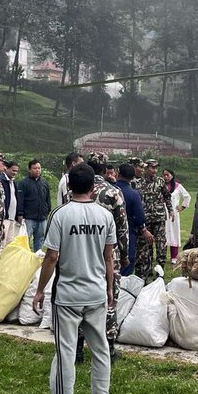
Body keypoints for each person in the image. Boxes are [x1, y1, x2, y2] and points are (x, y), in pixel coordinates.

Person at [33, 163, 115, 394]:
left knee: (65, 353)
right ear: (94, 187)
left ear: (68, 188)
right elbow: (108, 257)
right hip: (95, 294)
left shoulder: (60, 215)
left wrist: (41, 288)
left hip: (67, 296)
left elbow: (52, 256)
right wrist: (110, 288)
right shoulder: (105, 216)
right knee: (100, 350)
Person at [75, 153, 129, 363]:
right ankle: (109, 348)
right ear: (105, 168)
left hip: (81, 254)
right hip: (108, 255)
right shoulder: (113, 192)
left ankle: (78, 348)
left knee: (79, 298)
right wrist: (124, 255)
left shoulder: (76, 190)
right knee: (109, 299)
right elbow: (122, 228)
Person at [135, 159, 173, 279]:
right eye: (152, 168)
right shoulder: (138, 183)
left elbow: (167, 196)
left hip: (159, 217)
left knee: (161, 245)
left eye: (156, 168)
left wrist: (170, 209)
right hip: (145, 219)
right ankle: (147, 270)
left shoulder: (160, 181)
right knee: (146, 247)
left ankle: (160, 272)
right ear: (146, 168)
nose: (155, 170)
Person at [115, 163, 149, 276]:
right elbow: (140, 218)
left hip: (109, 233)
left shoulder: (110, 190)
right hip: (129, 232)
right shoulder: (134, 194)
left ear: (118, 173)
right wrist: (143, 229)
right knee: (127, 262)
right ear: (132, 177)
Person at [16, 159, 51, 251]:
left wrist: (47, 210)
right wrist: (20, 214)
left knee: (40, 240)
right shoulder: (24, 183)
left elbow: (48, 198)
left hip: (42, 218)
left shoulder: (44, 183)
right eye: (35, 168)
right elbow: (20, 200)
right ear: (29, 169)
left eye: (39, 168)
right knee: (25, 240)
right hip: (28, 218)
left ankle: (37, 260)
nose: (37, 170)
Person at [163, 168, 191, 263]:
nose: (166, 177)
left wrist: (182, 207)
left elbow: (187, 196)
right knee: (163, 234)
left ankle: (174, 257)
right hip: (162, 213)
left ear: (172, 175)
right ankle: (162, 256)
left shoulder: (178, 186)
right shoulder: (161, 186)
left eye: (168, 175)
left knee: (174, 234)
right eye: (164, 175)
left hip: (173, 214)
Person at [1, 160, 20, 240]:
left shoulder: (13, 182)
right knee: (3, 242)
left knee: (10, 241)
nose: (15, 173)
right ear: (7, 169)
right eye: (13, 170)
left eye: (16, 171)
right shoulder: (1, 181)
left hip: (12, 217)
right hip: (5, 217)